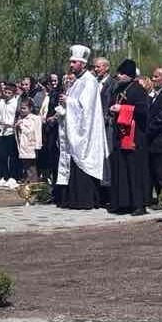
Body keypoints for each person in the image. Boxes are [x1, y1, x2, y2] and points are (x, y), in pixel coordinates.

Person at [58, 46, 109, 210]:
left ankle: (85, 200)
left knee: (84, 163)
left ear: (83, 63)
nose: (71, 65)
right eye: (71, 62)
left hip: (85, 132)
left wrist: (68, 101)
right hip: (74, 129)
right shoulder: (77, 81)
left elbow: (86, 108)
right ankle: (73, 199)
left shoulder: (89, 81)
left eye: (74, 62)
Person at [109, 60, 151, 215]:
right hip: (120, 134)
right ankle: (123, 202)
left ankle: (139, 204)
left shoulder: (138, 89)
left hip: (134, 136)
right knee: (122, 168)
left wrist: (122, 108)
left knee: (135, 170)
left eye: (121, 73)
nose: (118, 76)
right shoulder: (118, 88)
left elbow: (143, 110)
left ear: (129, 75)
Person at [15, 99, 42, 185]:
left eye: (24, 108)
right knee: (26, 166)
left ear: (30, 108)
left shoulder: (35, 118)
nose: (22, 110)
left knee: (31, 166)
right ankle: (28, 182)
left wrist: (38, 146)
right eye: (21, 108)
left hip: (31, 146)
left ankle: (34, 184)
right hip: (22, 146)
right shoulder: (20, 118)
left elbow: (36, 132)